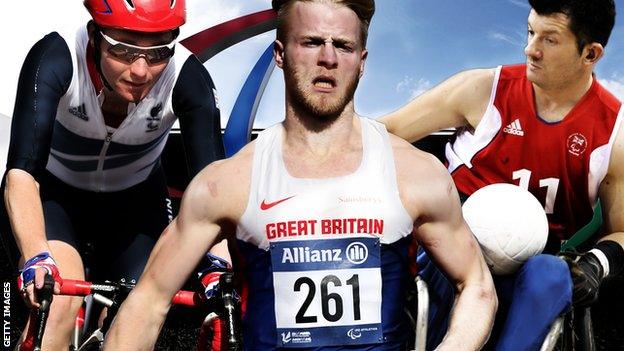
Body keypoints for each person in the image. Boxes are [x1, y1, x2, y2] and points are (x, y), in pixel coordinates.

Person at [103, 0, 497, 350]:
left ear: (361, 61)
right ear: (280, 53)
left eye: (342, 46)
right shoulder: (227, 183)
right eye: (311, 42)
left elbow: (477, 286)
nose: (328, 58)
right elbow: (148, 301)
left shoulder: (415, 174)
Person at [380, 0, 624, 349]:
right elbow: (384, 133)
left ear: (591, 54)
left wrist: (595, 266)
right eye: (530, 32)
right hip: (448, 251)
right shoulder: (482, 90)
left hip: (530, 264)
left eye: (549, 40)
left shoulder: (613, 135)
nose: (530, 49)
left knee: (552, 276)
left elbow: (622, 229)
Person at [0, 0, 225, 349]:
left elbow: (215, 188)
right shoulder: (57, 56)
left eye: (158, 53)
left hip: (135, 204)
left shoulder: (187, 76)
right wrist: (36, 255)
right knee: (56, 304)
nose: (140, 71)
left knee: (136, 317)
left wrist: (218, 262)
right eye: (122, 50)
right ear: (94, 36)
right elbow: (21, 172)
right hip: (55, 197)